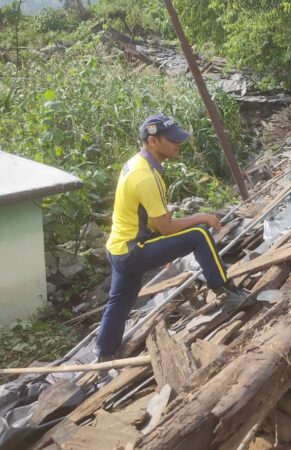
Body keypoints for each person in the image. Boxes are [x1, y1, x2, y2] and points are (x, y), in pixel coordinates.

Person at [96, 114, 229, 360]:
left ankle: (104, 353)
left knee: (119, 302)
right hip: (133, 249)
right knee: (199, 235)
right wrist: (203, 216)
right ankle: (225, 292)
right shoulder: (145, 176)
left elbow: (149, 219)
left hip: (118, 249)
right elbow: (167, 228)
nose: (178, 144)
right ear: (153, 141)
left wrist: (164, 247)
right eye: (172, 140)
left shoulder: (137, 163)